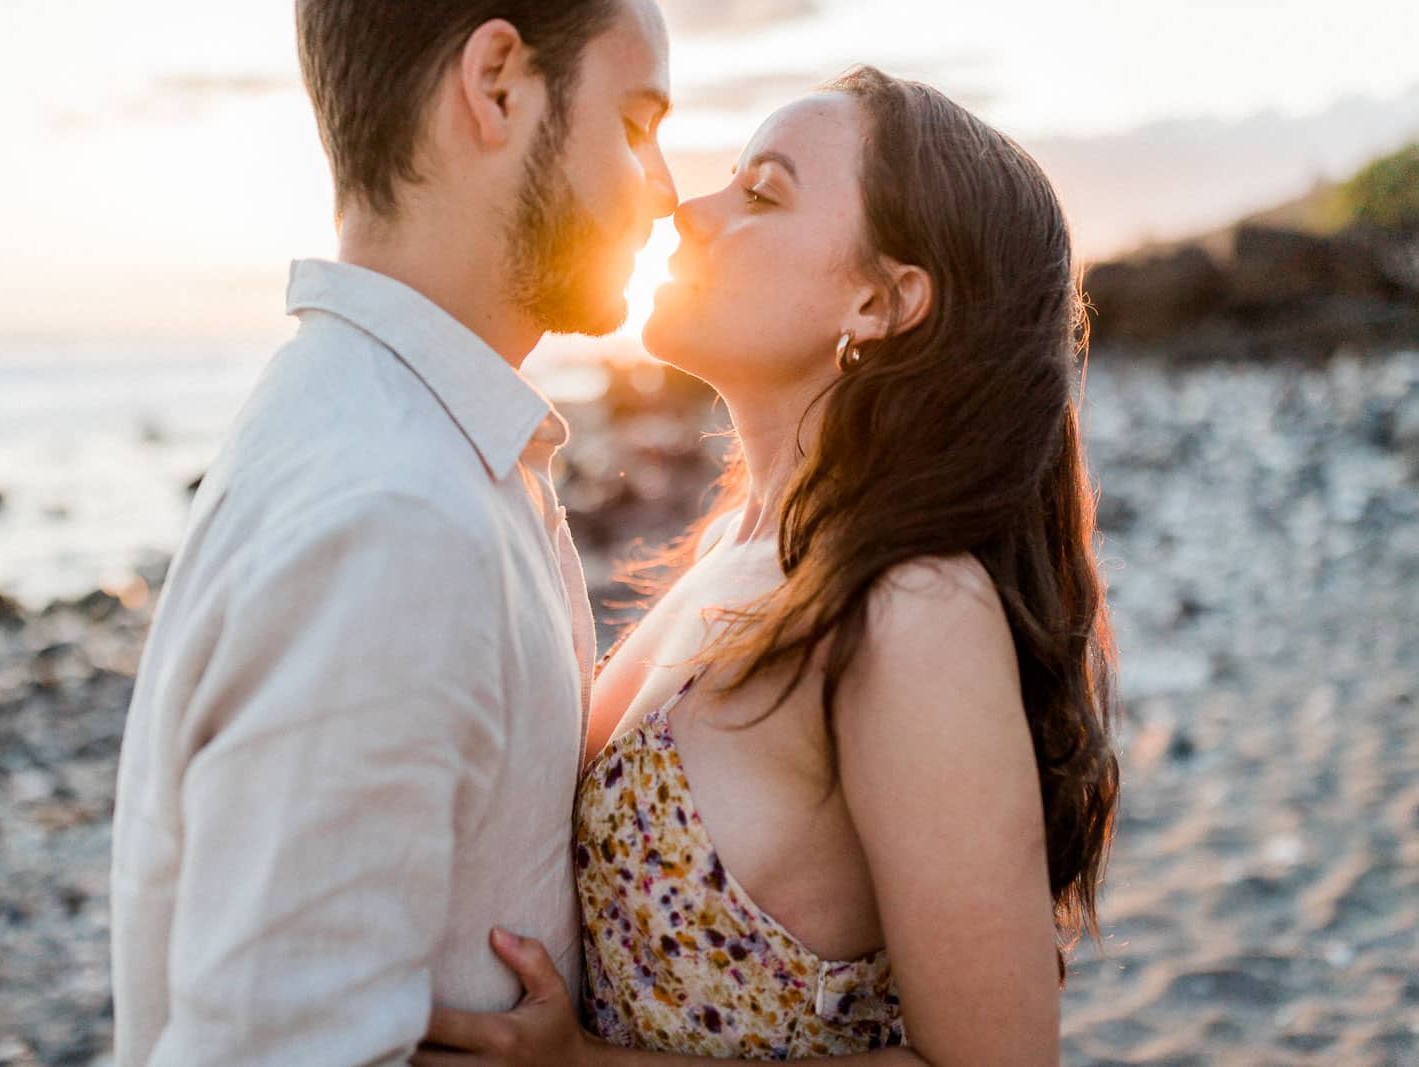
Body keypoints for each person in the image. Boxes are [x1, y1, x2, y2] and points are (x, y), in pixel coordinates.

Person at [420, 67, 1120, 1065]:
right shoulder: (735, 546)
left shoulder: (907, 611)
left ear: (881, 299)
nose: (684, 209)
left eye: (761, 193)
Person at [109, 1, 677, 1062]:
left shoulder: (409, 438)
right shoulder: (393, 519)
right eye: (637, 123)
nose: (663, 188)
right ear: (497, 83)